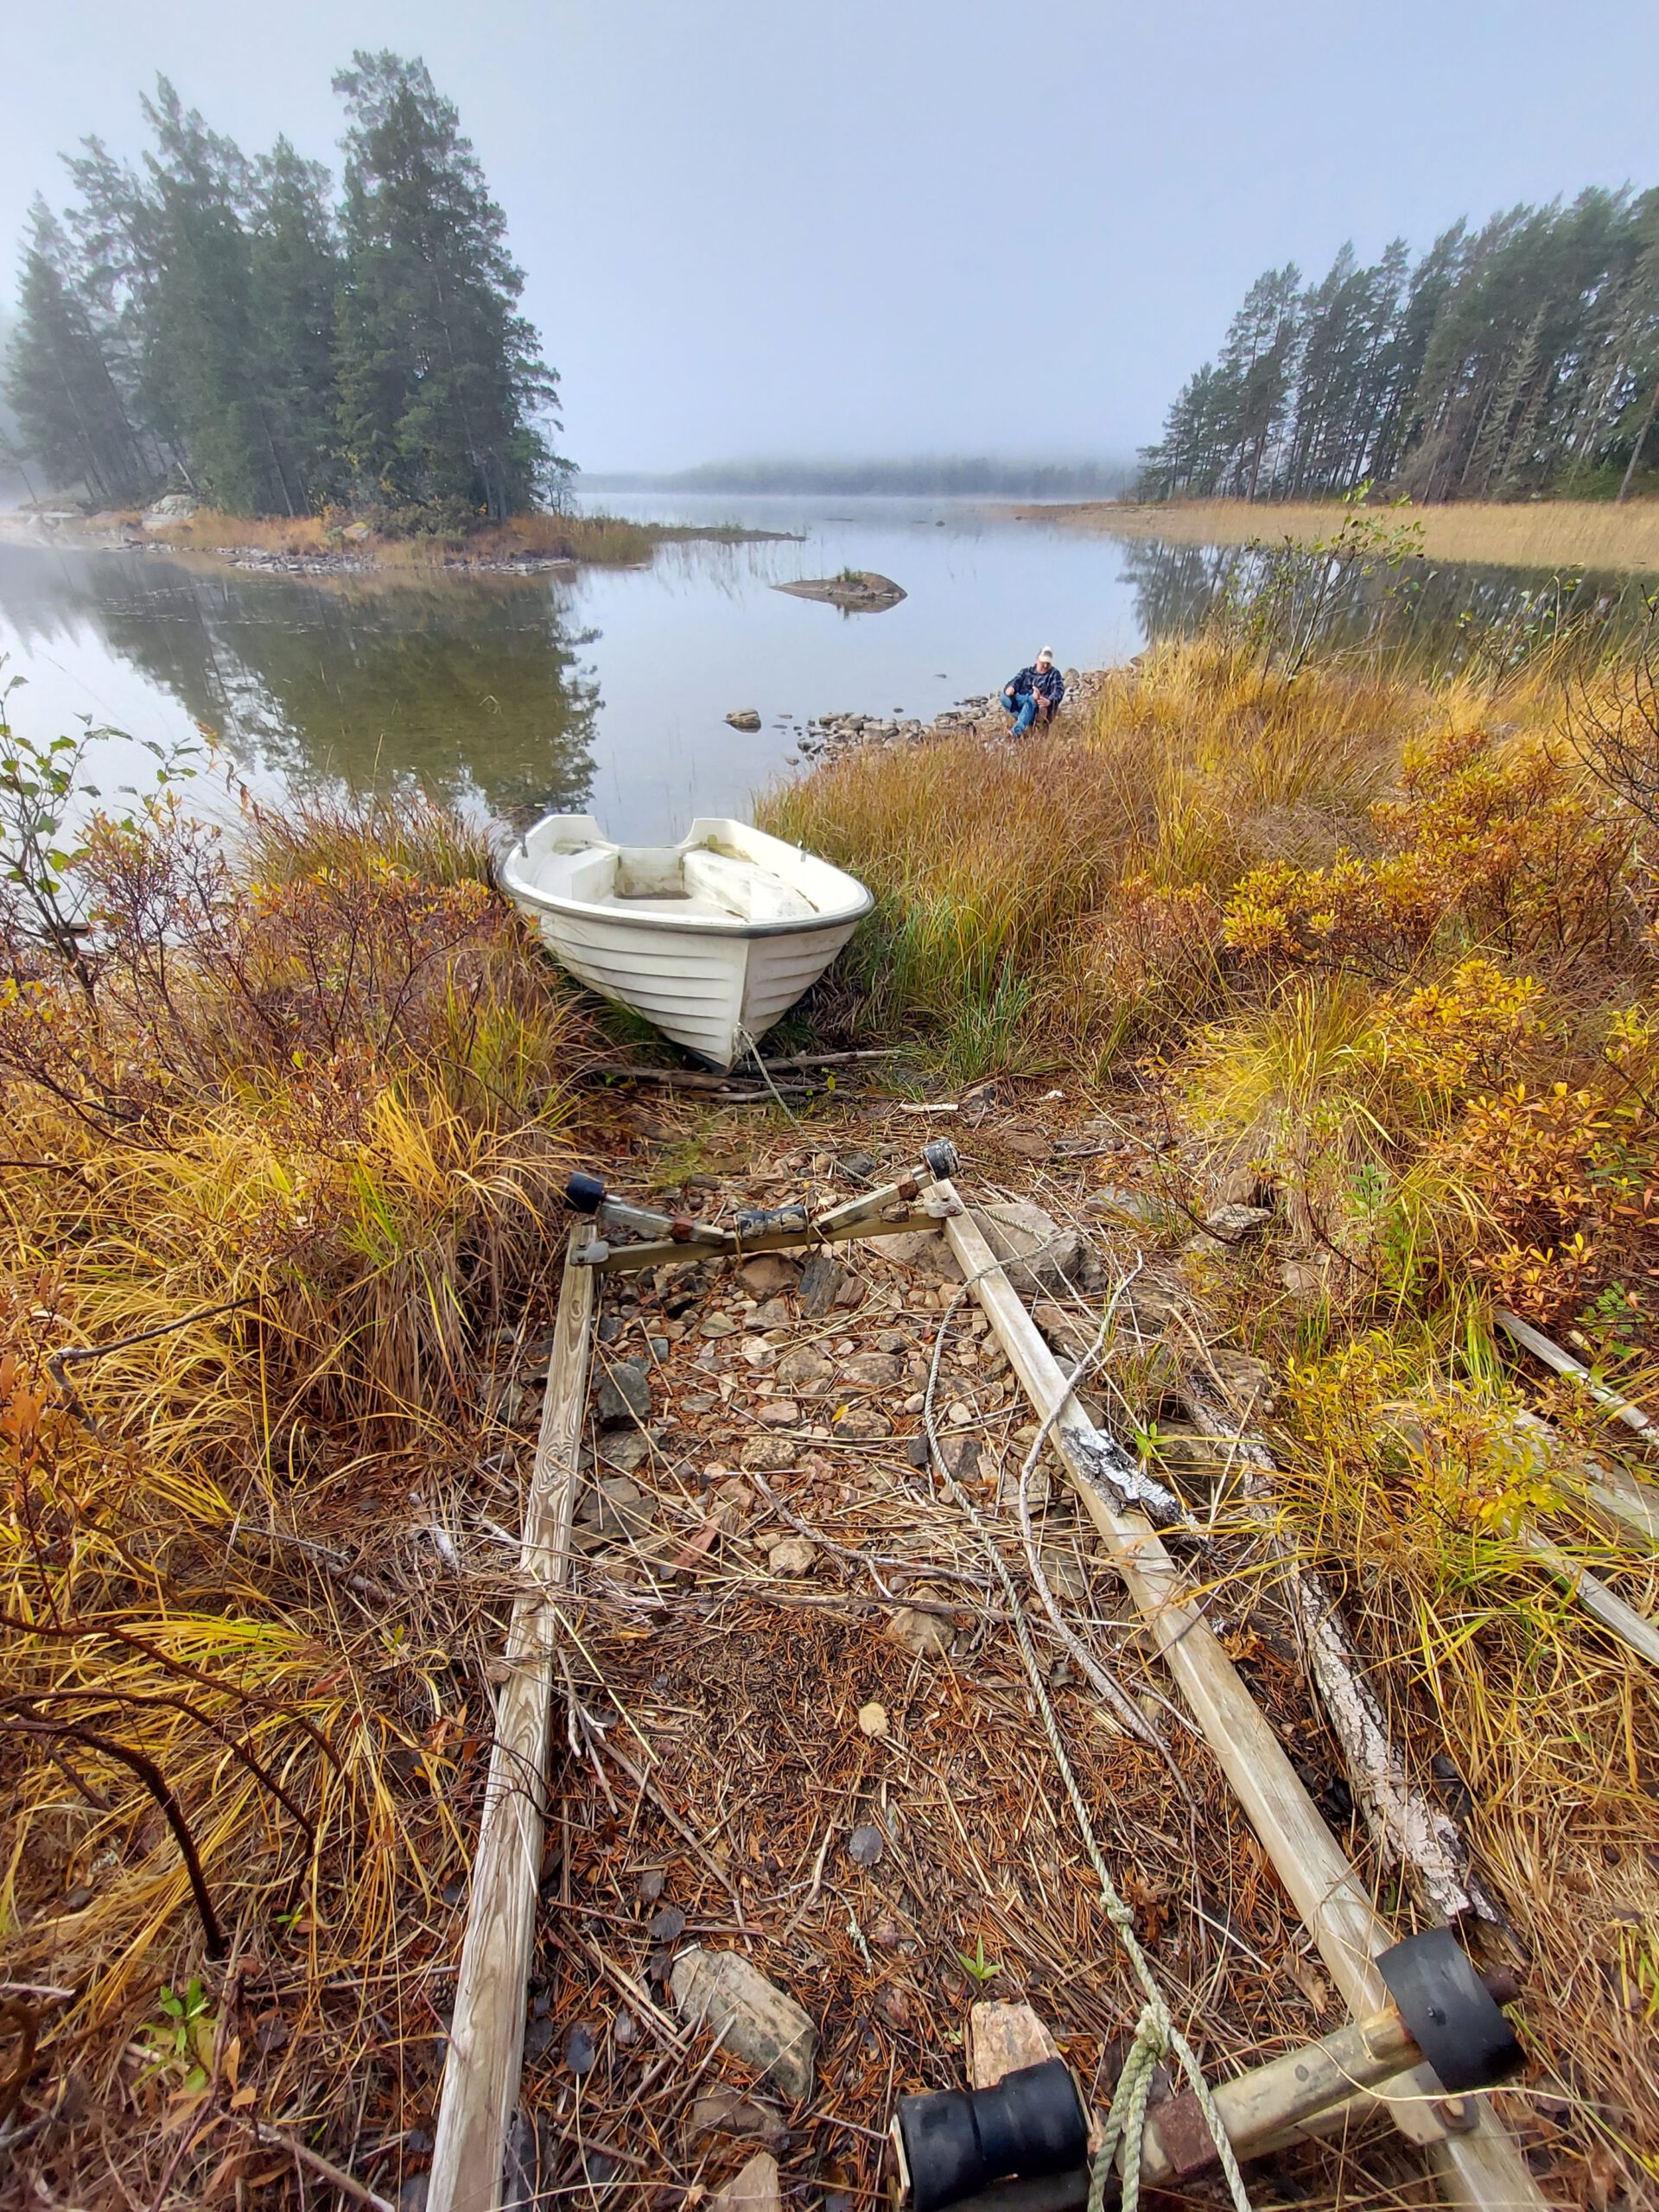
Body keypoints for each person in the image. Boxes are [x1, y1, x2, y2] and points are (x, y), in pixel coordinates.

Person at [1001, 648, 1065, 737]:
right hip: (1022, 702)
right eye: (1043, 662)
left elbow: (1059, 691)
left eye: (1048, 663)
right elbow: (1016, 681)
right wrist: (1011, 687)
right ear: (1037, 659)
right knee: (1004, 697)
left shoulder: (1054, 674)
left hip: (1039, 708)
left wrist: (1049, 701)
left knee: (1032, 701)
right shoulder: (1026, 672)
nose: (1045, 666)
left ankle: (1016, 732)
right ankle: (1025, 717)